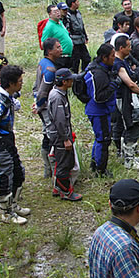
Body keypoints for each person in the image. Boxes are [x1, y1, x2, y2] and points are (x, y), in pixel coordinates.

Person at [0, 65, 31, 225]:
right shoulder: (0, 102)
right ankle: (6, 213)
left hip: (8, 139)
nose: (22, 83)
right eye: (19, 81)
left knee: (18, 171)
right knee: (4, 176)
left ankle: (14, 205)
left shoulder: (8, 96)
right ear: (10, 83)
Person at [112, 35, 139, 171]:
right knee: (134, 126)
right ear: (121, 48)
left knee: (125, 126)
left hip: (128, 98)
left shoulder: (124, 61)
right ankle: (129, 159)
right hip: (125, 99)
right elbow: (130, 84)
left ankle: (126, 155)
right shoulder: (118, 64)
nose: (130, 48)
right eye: (128, 46)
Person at [47, 68, 82, 201]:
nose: (72, 81)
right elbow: (60, 121)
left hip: (59, 135)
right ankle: (66, 192)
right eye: (70, 79)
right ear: (64, 81)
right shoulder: (57, 97)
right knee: (64, 163)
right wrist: (65, 139)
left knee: (63, 161)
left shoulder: (59, 93)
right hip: (60, 136)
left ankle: (58, 187)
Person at [84, 44, 118, 177]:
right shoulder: (99, 74)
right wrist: (114, 85)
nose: (114, 58)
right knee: (103, 140)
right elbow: (99, 97)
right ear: (104, 57)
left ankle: (95, 164)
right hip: (99, 111)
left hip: (99, 111)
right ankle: (100, 170)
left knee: (100, 138)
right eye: (112, 56)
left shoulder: (100, 68)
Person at [33, 37, 61, 177]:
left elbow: (36, 86)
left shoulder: (43, 63)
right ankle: (51, 166)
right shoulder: (50, 69)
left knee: (46, 135)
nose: (60, 50)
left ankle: (48, 169)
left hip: (42, 104)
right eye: (57, 47)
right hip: (46, 107)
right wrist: (39, 104)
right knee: (51, 135)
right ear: (49, 51)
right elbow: (43, 90)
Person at [41, 4, 73, 69]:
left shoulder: (60, 23)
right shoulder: (49, 27)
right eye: (55, 12)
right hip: (59, 58)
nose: (58, 13)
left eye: (58, 11)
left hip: (68, 56)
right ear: (50, 14)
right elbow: (43, 43)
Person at [65, 0, 89, 73]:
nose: (78, 3)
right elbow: (67, 30)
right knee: (75, 61)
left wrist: (85, 36)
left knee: (87, 58)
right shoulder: (67, 15)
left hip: (81, 40)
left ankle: (84, 74)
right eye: (77, 2)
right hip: (74, 42)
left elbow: (82, 25)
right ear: (73, 3)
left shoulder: (78, 13)